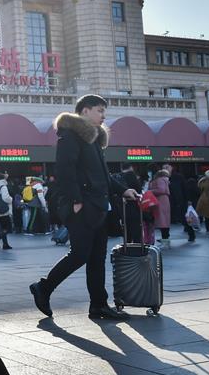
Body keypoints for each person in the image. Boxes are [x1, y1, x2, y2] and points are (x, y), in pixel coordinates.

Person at [29, 95, 139, 321]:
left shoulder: (93, 138)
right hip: (83, 205)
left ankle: (98, 305)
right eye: (100, 111)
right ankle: (44, 288)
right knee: (80, 254)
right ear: (85, 111)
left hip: (98, 205)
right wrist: (76, 200)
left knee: (97, 257)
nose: (103, 116)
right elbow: (64, 170)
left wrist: (123, 190)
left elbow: (103, 175)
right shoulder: (70, 136)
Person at [118, 162, 143, 243]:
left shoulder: (118, 176)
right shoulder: (131, 175)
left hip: (122, 206)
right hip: (133, 205)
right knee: (136, 228)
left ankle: (127, 246)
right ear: (131, 167)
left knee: (126, 228)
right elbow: (138, 190)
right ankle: (137, 246)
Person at [150, 169, 172, 248]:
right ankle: (165, 239)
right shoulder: (165, 180)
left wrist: (150, 191)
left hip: (160, 200)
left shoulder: (160, 180)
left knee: (162, 221)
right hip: (164, 200)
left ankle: (165, 241)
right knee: (164, 221)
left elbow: (161, 190)